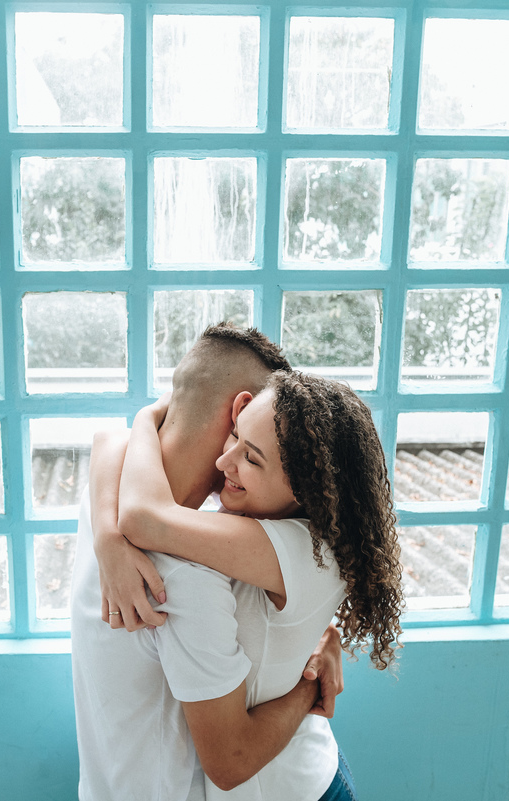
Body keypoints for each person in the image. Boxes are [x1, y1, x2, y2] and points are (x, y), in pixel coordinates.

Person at [101, 355, 404, 798]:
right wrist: (107, 541)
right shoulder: (265, 525)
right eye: (236, 435)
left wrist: (145, 418)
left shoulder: (306, 551)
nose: (224, 461)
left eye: (251, 459)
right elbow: (104, 446)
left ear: (306, 490)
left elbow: (146, 518)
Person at [71, 324, 347, 800]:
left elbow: (112, 450)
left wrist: (143, 419)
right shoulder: (181, 570)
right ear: (241, 410)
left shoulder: (109, 491)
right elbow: (230, 760)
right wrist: (309, 688)